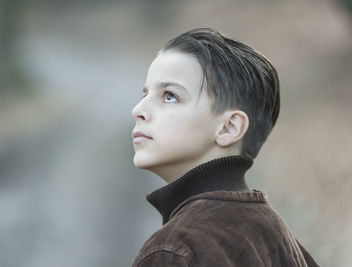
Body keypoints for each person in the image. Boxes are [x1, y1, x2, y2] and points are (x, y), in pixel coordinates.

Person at [130, 28, 320, 266]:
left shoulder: (174, 249)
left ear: (229, 127)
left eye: (170, 96)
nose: (138, 110)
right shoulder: (279, 237)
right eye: (145, 94)